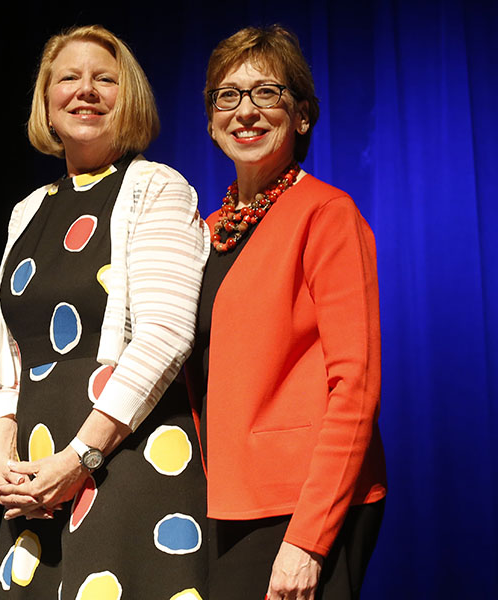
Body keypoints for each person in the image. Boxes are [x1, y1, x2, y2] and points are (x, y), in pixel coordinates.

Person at [0, 25, 210, 599]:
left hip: (123, 458)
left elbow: (164, 336)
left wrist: (80, 457)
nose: (85, 90)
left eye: (104, 79)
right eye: (69, 78)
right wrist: (1, 454)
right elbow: (5, 352)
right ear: (46, 100)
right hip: (37, 471)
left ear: (127, 96)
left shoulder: (157, 188)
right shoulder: (28, 210)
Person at [191, 25, 387, 600]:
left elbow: (355, 385)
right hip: (222, 501)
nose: (245, 110)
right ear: (210, 121)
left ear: (300, 116)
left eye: (266, 92)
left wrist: (308, 539)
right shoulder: (205, 233)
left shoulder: (327, 214)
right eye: (228, 95)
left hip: (301, 505)